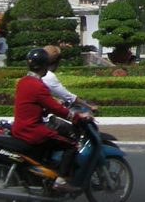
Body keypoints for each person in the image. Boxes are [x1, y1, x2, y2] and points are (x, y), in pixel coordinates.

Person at [12, 48, 91, 193]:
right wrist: (76, 117)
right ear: (44, 66)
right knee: (71, 145)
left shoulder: (22, 82)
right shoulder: (38, 86)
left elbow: (34, 104)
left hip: (19, 128)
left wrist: (47, 107)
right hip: (33, 130)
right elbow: (57, 109)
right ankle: (61, 180)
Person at [42, 45, 98, 113]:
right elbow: (69, 97)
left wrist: (56, 100)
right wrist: (90, 106)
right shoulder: (48, 76)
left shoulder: (35, 74)